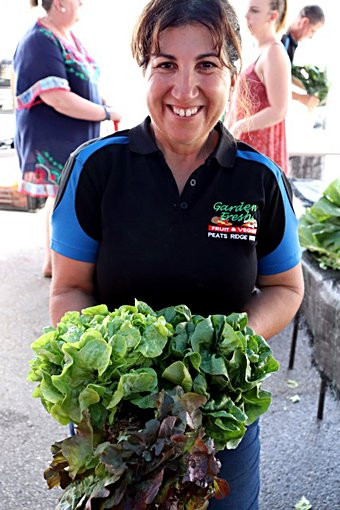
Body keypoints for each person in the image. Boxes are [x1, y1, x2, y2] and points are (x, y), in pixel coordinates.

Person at [50, 0, 304, 508]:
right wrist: (111, 378)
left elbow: (285, 288)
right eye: (166, 64)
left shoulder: (260, 179)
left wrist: (215, 355)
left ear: (233, 75)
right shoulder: (96, 168)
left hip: (221, 413)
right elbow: (69, 287)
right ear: (144, 71)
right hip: (119, 425)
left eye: (206, 65)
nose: (184, 90)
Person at [13, 0, 121, 277]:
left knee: (61, 198)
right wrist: (105, 112)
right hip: (51, 137)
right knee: (61, 198)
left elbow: (81, 84)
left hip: (71, 134)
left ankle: (56, 262)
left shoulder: (66, 36)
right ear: (60, 2)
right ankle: (60, 266)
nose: (82, 3)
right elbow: (57, 98)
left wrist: (102, 105)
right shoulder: (40, 39)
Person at [226, 0, 290, 174]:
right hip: (246, 148)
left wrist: (238, 127)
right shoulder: (259, 49)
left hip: (259, 153)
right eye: (248, 11)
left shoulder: (274, 52)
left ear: (273, 16)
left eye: (254, 11)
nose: (247, 16)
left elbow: (279, 110)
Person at [281, 5, 325, 110]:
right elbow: (270, 84)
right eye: (313, 31)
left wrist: (306, 87)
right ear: (304, 22)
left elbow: (283, 75)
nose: (311, 36)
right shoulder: (282, 41)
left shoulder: (291, 42)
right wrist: (302, 98)